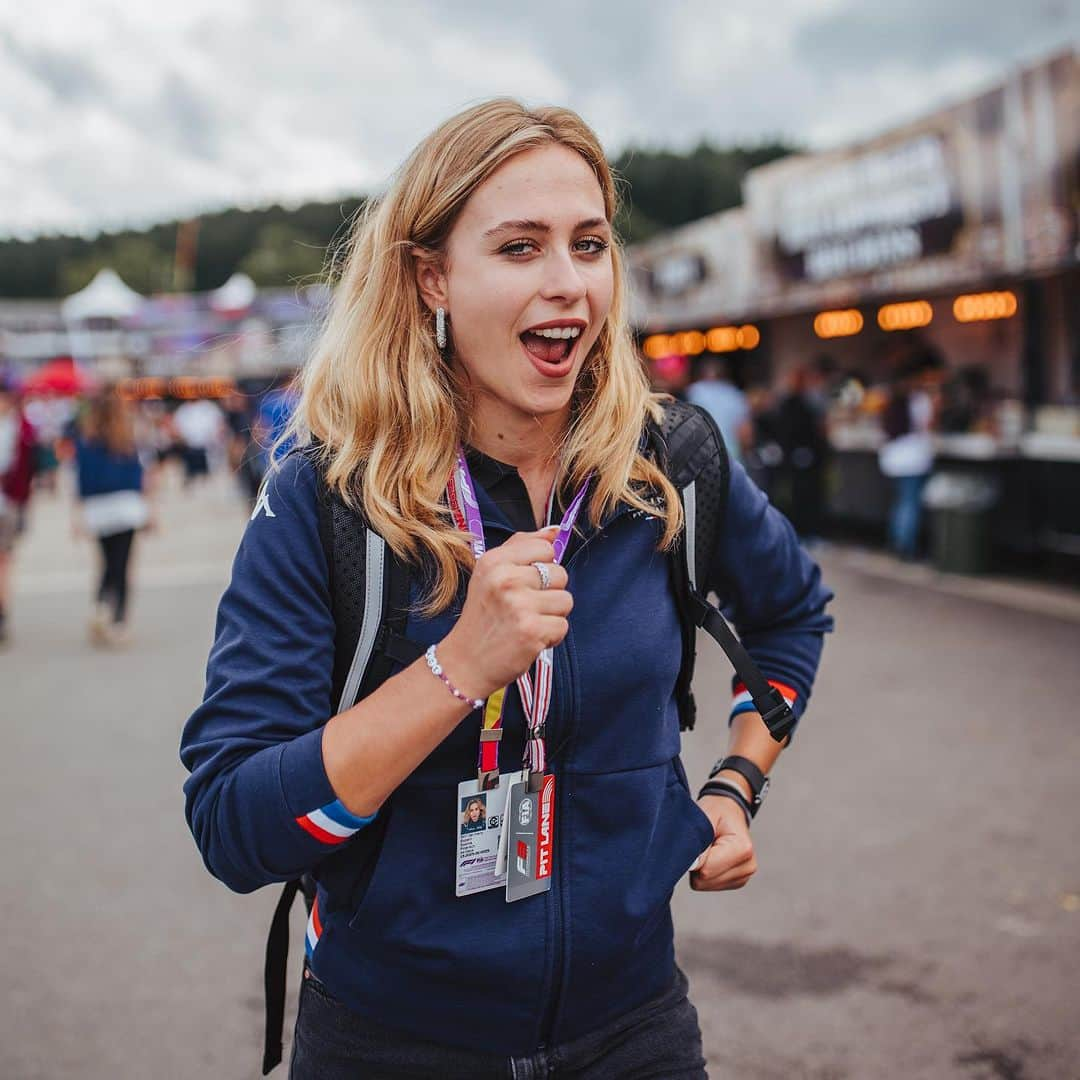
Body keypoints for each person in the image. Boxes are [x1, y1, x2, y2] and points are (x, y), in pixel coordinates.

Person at [181, 100, 833, 1079]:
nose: (567, 284)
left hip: (636, 1029)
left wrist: (737, 785)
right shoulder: (326, 498)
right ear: (432, 276)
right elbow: (237, 826)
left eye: (589, 244)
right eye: (520, 248)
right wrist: (455, 668)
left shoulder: (670, 465)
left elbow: (791, 617)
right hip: (391, 1040)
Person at [73, 386, 155, 646]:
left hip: (98, 508)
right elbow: (143, 476)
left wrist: (77, 514)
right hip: (126, 506)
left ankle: (100, 605)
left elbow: (81, 480)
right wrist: (151, 510)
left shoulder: (86, 439)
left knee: (106, 562)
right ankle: (119, 620)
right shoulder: (128, 436)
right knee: (122, 565)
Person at [879, 355, 938, 560]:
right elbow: (928, 425)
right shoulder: (920, 400)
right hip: (913, 459)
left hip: (893, 459)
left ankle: (896, 542)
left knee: (900, 502)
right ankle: (907, 546)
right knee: (910, 503)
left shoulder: (891, 400)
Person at [686, 356, 752, 463]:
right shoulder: (734, 394)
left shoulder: (693, 392)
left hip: (702, 459)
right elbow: (745, 432)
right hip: (731, 456)